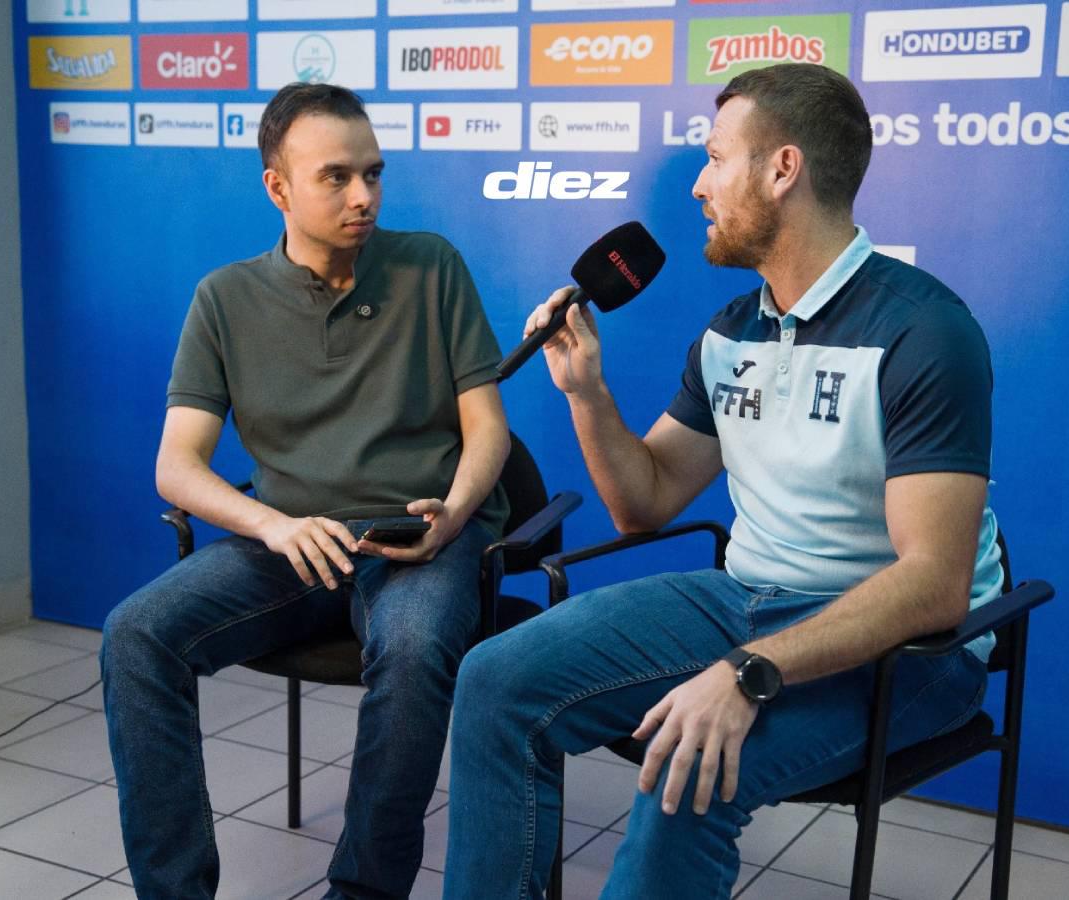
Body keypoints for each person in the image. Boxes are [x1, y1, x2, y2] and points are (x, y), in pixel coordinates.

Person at [442, 63, 1003, 898]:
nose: (698, 185)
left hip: (910, 647)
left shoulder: (924, 330)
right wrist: (587, 395)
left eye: (714, 158)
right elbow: (646, 501)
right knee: (494, 680)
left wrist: (748, 670)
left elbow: (932, 587)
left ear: (782, 170)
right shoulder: (731, 330)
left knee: (690, 779)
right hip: (746, 598)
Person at [100, 83, 510, 900]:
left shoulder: (431, 266)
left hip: (416, 534)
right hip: (289, 540)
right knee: (135, 636)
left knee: (416, 645)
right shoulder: (225, 299)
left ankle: (361, 892)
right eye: (335, 177)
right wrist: (274, 526)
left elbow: (488, 430)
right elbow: (176, 466)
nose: (363, 196)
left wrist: (453, 516)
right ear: (277, 188)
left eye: (373, 174)